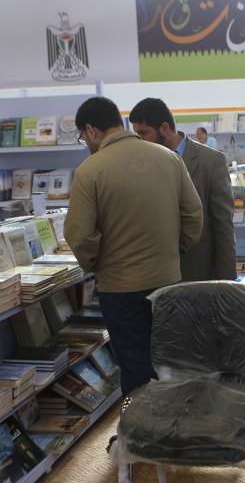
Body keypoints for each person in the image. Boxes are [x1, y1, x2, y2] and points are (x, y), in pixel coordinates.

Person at [64, 97, 203, 395]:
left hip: (120, 288)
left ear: (90, 130)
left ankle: (141, 424)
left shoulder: (90, 170)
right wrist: (175, 251)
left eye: (82, 137)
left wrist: (97, 264)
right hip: (168, 280)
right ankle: (174, 420)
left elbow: (80, 236)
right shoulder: (169, 158)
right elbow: (193, 215)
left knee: (135, 367)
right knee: (170, 363)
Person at [128, 97, 237, 282]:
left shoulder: (211, 162)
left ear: (164, 128)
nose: (140, 140)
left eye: (144, 133)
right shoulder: (141, 163)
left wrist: (227, 284)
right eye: (137, 134)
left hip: (197, 275)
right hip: (153, 277)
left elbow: (223, 229)